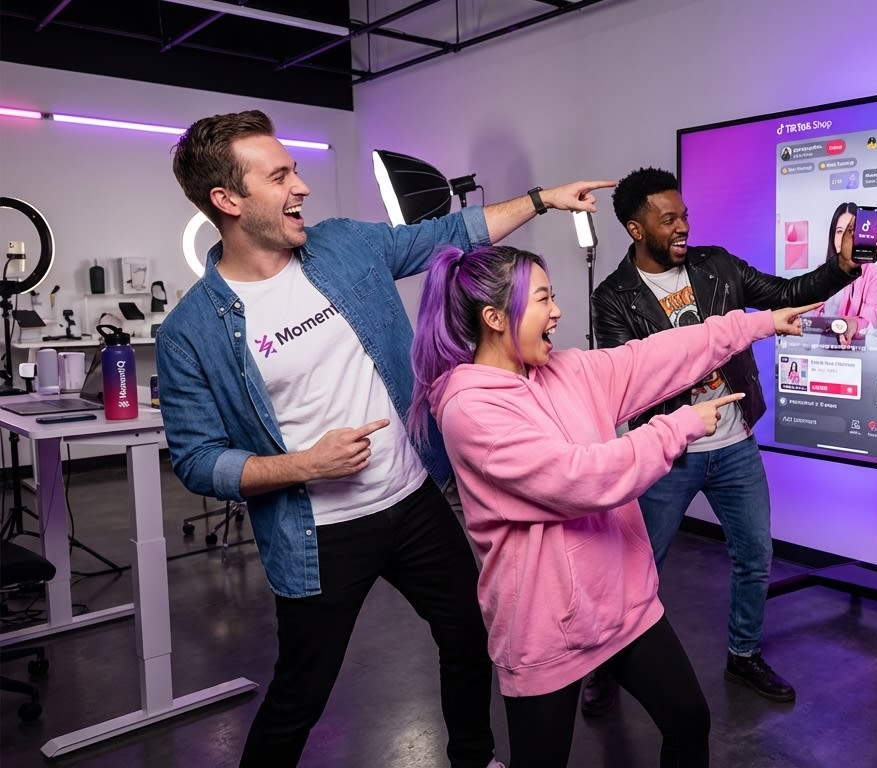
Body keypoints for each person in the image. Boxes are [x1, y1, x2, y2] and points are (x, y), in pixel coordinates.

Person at [158, 108, 612, 768]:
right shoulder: (190, 332)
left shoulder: (342, 246)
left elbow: (449, 233)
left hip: (412, 500)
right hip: (319, 533)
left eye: (296, 169)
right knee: (300, 694)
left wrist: (543, 199)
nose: (301, 186)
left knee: (466, 635)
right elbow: (197, 461)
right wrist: (300, 465)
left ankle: (472, 758)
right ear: (227, 200)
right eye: (280, 174)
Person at [409, 243, 817, 767]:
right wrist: (678, 428)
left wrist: (754, 324)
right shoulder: (471, 411)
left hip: (623, 606)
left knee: (689, 720)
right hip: (545, 626)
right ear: (494, 317)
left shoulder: (566, 371)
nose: (556, 311)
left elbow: (652, 356)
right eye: (542, 299)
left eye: (553, 296)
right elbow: (581, 479)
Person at [586, 167, 877, 713]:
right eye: (667, 219)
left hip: (734, 443)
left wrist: (843, 265)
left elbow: (786, 293)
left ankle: (743, 654)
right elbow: (629, 383)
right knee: (637, 569)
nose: (682, 227)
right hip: (665, 454)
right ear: (635, 228)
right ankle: (607, 661)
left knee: (756, 555)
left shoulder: (715, 265)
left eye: (685, 215)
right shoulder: (613, 299)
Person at [810, 202, 877, 347]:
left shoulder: (872, 272)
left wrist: (851, 325)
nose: (843, 238)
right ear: (832, 235)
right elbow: (812, 314)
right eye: (839, 231)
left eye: (849, 232)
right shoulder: (821, 270)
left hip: (855, 345)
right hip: (823, 343)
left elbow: (870, 317)